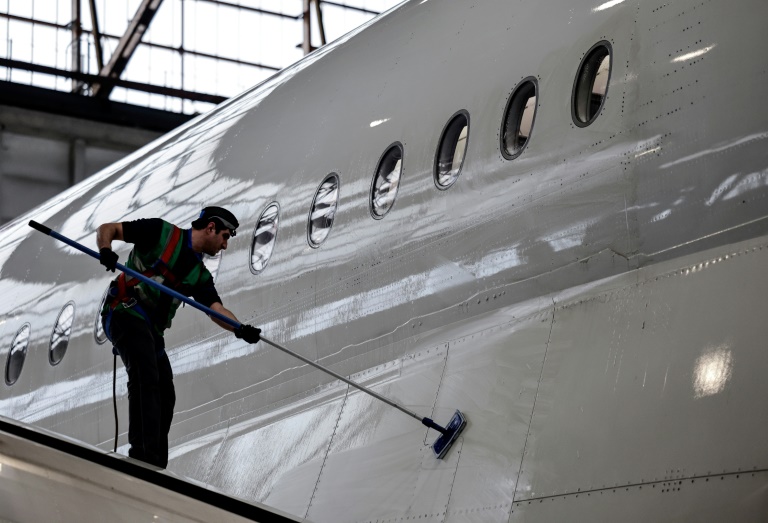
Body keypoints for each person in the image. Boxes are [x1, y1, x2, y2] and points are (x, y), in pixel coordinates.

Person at [97, 206, 261, 468]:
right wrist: (105, 249)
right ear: (211, 228)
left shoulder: (199, 276)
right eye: (226, 236)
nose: (225, 245)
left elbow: (215, 310)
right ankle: (143, 458)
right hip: (124, 311)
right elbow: (110, 229)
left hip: (151, 330)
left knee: (165, 392)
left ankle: (156, 463)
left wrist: (240, 328)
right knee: (145, 374)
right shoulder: (158, 232)